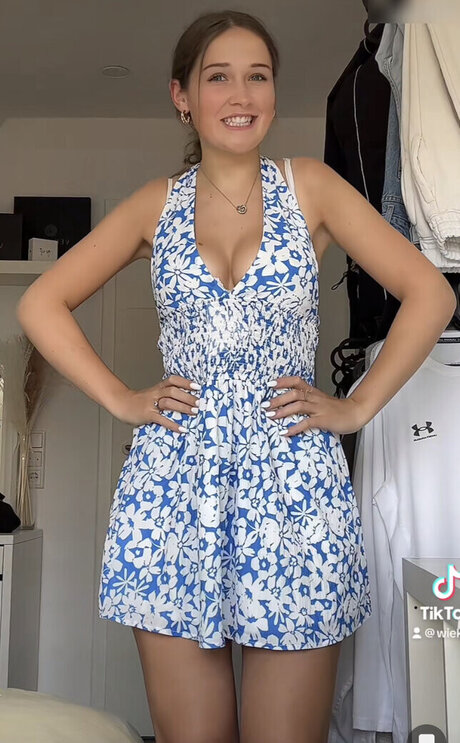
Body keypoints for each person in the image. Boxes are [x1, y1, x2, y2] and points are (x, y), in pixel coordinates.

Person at [16, 9, 456, 743]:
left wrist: (356, 408)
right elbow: (40, 302)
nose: (241, 94)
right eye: (218, 77)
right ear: (182, 96)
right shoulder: (155, 204)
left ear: (275, 92)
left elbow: (430, 293)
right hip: (173, 491)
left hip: (294, 490)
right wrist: (121, 397)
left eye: (258, 76)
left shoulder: (310, 187)